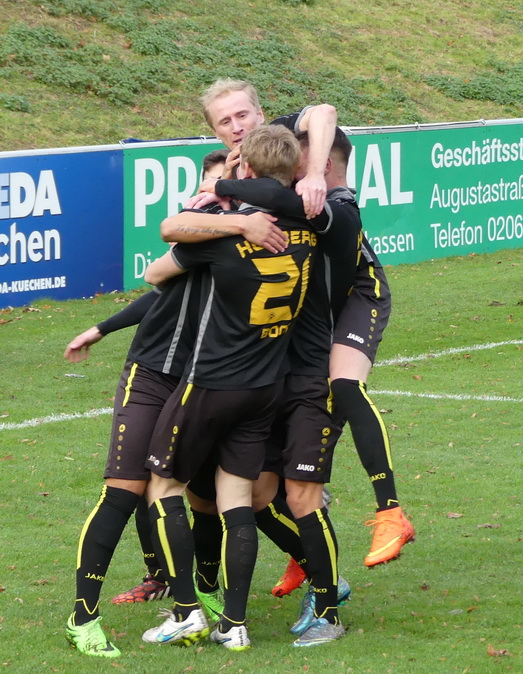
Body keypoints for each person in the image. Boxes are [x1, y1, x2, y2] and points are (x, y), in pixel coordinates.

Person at [62, 148, 287, 657]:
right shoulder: (206, 233)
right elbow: (158, 285)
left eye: (225, 187)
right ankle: (83, 617)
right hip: (153, 375)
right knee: (125, 491)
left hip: (206, 381)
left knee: (205, 496)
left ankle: (196, 599)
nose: (214, 196)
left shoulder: (244, 242)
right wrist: (102, 327)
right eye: (208, 187)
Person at [196, 80, 414, 572]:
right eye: (225, 121)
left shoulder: (285, 153)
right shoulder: (236, 170)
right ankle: (304, 551)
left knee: (343, 384)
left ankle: (389, 511)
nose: (237, 126)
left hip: (352, 293)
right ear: (213, 131)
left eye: (243, 115)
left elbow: (326, 111)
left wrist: (312, 173)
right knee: (269, 448)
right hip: (297, 314)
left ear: (261, 113)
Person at [140, 124, 321, 651]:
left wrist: (223, 217)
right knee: (237, 500)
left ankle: (186, 612)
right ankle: (234, 625)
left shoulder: (226, 237)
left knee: (163, 487)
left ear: (246, 169)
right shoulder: (308, 229)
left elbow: (157, 269)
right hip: (265, 386)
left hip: (212, 382)